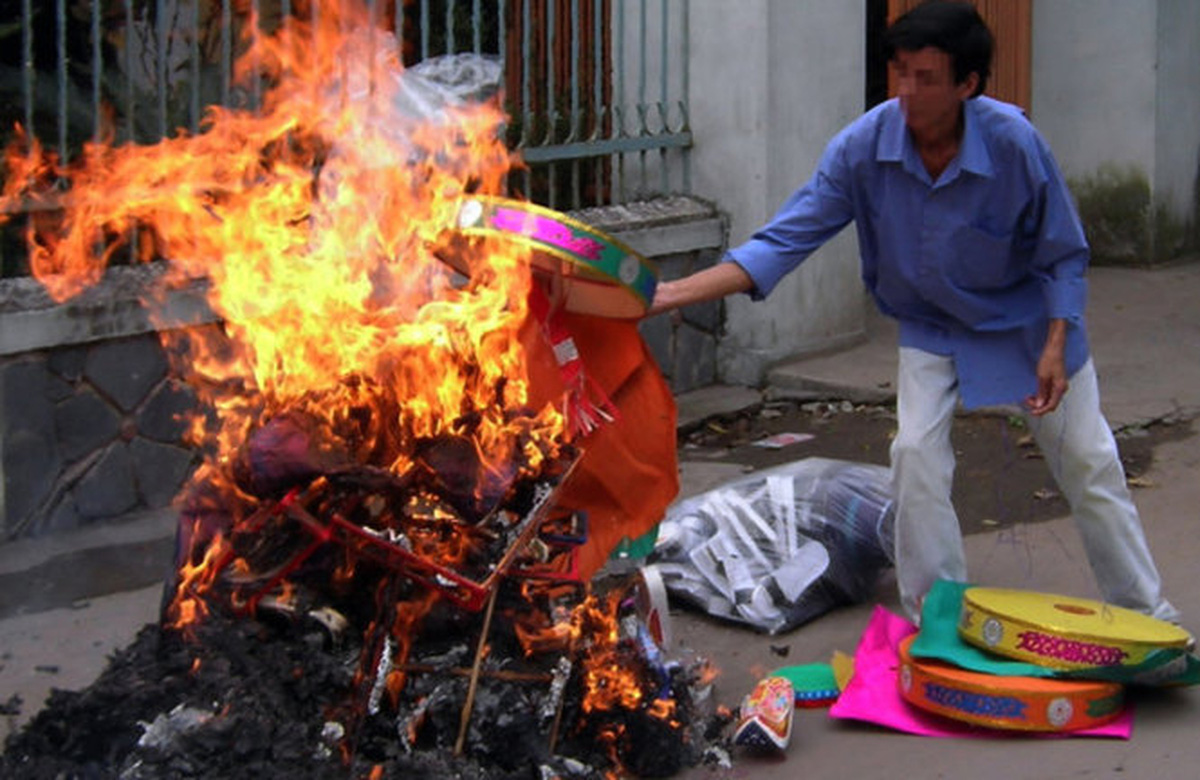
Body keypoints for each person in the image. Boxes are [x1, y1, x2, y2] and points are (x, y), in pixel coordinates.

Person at [647, 0, 1179, 624]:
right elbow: (782, 242)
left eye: (926, 79)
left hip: (1028, 324)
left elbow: (1063, 251)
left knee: (1089, 460)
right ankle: (938, 620)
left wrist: (1058, 344)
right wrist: (666, 296)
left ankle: (1148, 615)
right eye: (900, 73)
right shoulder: (863, 146)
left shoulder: (1013, 143)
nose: (907, 92)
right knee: (916, 460)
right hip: (931, 326)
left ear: (968, 85)